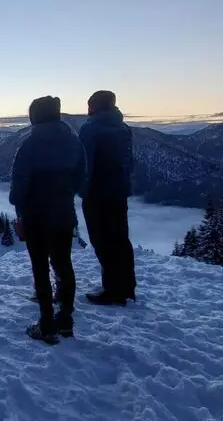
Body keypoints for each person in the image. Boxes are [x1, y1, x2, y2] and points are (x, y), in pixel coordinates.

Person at [9, 96, 86, 344]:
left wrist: (18, 203)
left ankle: (46, 323)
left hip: (35, 215)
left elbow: (19, 184)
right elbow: (81, 180)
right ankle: (65, 320)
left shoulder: (29, 145)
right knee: (63, 264)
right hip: (64, 213)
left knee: (40, 268)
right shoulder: (74, 142)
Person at [78, 90, 136, 306]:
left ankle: (113, 290)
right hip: (119, 190)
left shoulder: (90, 129)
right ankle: (127, 287)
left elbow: (86, 164)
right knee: (120, 238)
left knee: (102, 240)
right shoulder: (123, 128)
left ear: (94, 107)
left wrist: (81, 189)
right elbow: (129, 160)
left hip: (97, 192)